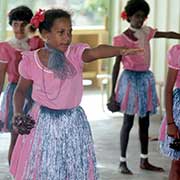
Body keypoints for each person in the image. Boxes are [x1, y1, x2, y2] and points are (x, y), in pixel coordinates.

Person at [9, 8, 143, 180]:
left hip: (72, 121)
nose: (67, 37)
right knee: (43, 167)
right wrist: (18, 112)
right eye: (61, 32)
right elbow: (19, 90)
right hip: (42, 122)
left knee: (70, 168)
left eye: (70, 32)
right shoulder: (30, 61)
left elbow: (96, 51)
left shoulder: (75, 54)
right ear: (45, 34)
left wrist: (120, 50)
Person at [107, 0, 180, 175]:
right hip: (130, 81)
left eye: (143, 17)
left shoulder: (147, 33)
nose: (140, 20)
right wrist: (113, 94)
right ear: (129, 16)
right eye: (137, 16)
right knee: (128, 122)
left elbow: (165, 33)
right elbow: (116, 65)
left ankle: (144, 159)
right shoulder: (121, 38)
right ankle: (122, 161)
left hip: (145, 80)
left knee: (145, 122)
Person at [0, 5, 44, 164]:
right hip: (14, 94)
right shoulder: (4, 47)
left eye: (23, 24)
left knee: (36, 136)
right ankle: (14, 173)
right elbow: (0, 76)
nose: (18, 28)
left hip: (35, 93)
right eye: (15, 24)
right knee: (16, 136)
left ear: (29, 25)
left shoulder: (37, 43)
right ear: (11, 25)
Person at [159, 44, 180, 180]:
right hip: (179, 115)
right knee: (178, 163)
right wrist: (171, 123)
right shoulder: (178, 52)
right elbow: (168, 90)